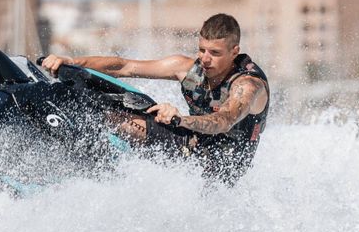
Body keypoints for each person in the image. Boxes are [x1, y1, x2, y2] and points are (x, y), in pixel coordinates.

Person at [41, 13, 269, 184]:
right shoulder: (190, 70)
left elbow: (224, 121)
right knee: (113, 116)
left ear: (234, 51)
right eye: (202, 50)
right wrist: (71, 61)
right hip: (190, 143)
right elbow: (125, 67)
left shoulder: (248, 85)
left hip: (223, 171)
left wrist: (178, 119)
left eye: (215, 53)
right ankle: (86, 170)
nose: (205, 59)